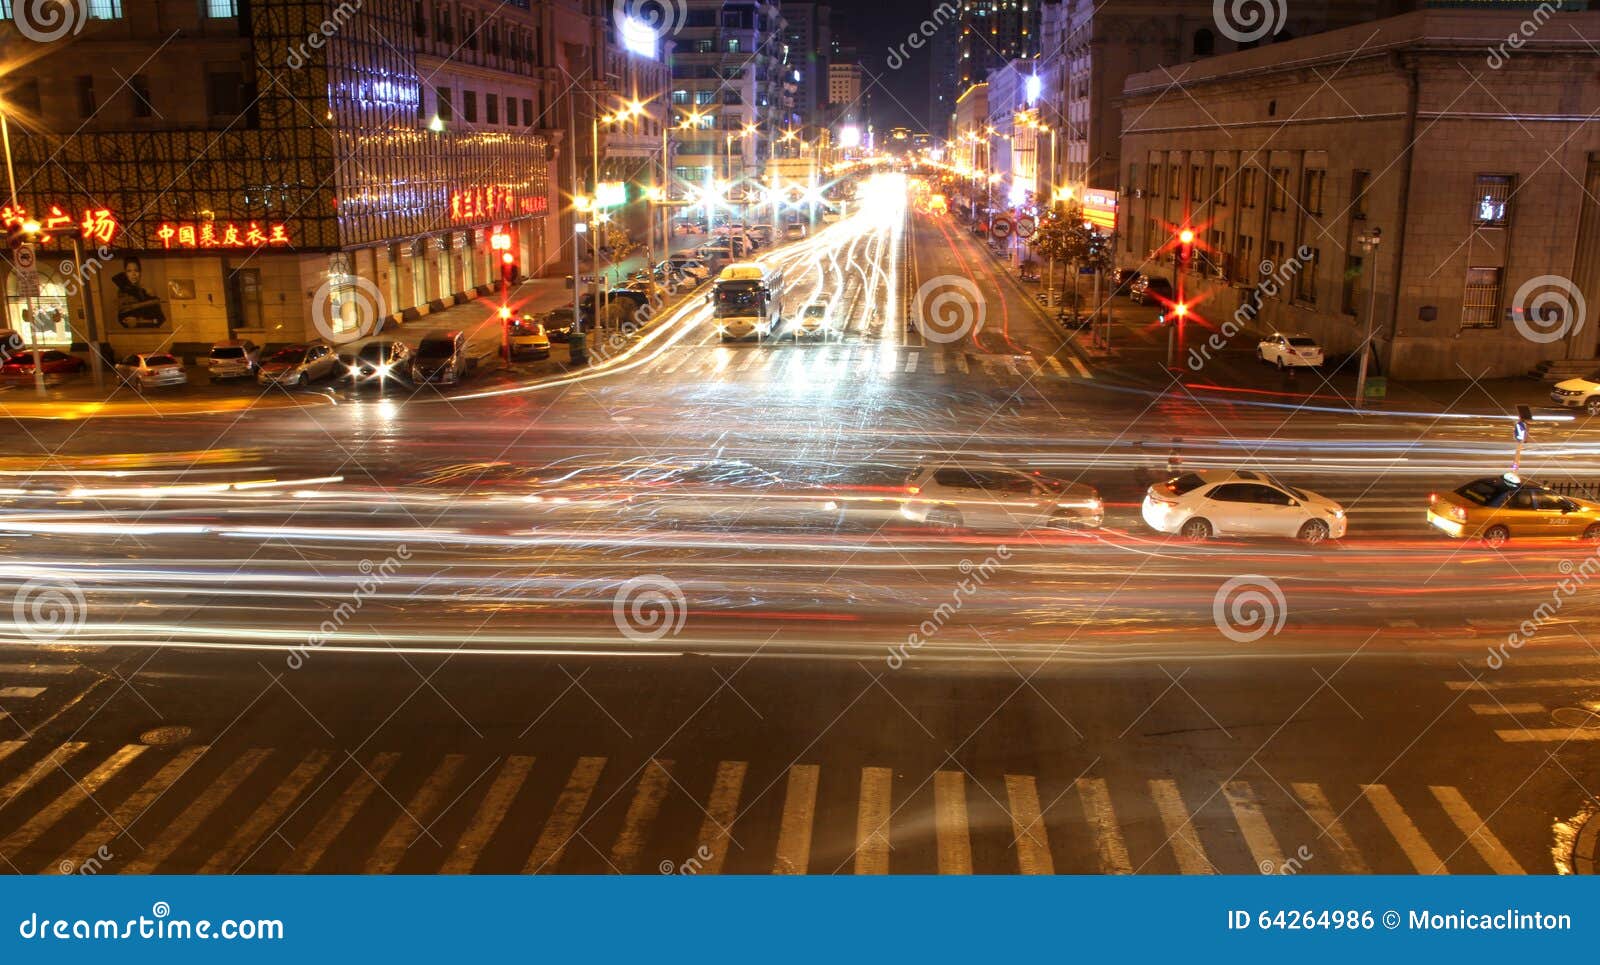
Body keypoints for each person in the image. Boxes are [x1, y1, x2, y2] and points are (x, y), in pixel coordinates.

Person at [112, 256, 165, 329]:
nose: (133, 274)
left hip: (152, 334)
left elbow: (160, 319)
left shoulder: (147, 293)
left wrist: (139, 322)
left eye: (136, 270)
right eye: (129, 271)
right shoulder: (122, 295)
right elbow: (123, 321)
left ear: (140, 273)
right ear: (125, 273)